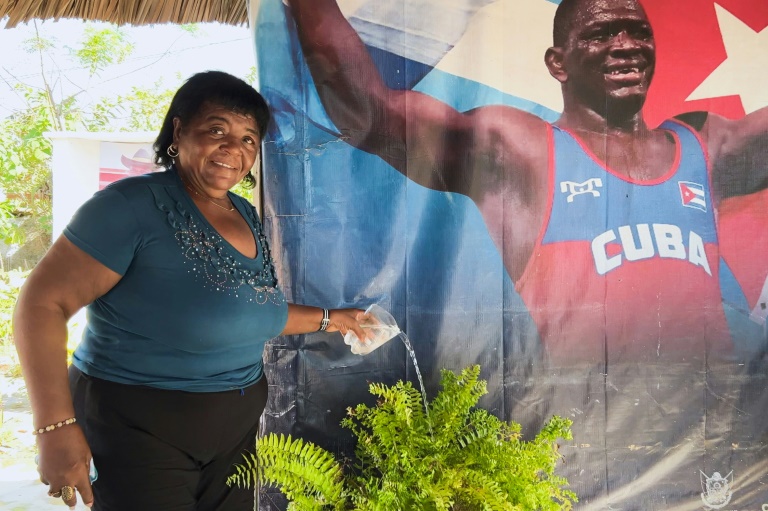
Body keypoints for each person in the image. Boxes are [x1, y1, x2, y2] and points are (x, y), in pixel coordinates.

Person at [286, 0, 768, 364]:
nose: (625, 45)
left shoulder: (704, 147)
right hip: (596, 447)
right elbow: (374, 117)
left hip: (712, 440)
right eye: (602, 34)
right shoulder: (521, 150)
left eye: (637, 32)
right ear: (558, 63)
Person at [13, 70, 370, 511]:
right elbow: (41, 304)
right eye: (216, 130)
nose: (232, 149)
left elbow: (252, 309)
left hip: (232, 433)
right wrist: (54, 426)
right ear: (179, 132)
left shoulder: (241, 211)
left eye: (247, 139)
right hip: (139, 424)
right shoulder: (129, 207)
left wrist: (335, 320)